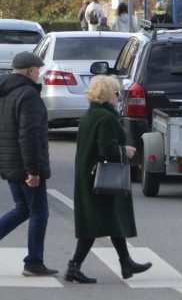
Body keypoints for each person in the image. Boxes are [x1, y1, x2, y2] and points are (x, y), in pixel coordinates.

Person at [0, 51, 58, 277]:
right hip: (25, 163)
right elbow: (29, 136)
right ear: (30, 71)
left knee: (23, 209)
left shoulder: (0, 92)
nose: (39, 73)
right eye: (37, 69)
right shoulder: (29, 95)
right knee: (39, 212)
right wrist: (33, 170)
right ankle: (34, 262)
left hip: (9, 161)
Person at [65, 75, 152, 284]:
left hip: (89, 176)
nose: (118, 97)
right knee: (96, 222)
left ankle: (125, 262)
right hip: (101, 179)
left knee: (108, 221)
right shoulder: (106, 118)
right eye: (116, 93)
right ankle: (74, 267)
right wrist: (126, 151)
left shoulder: (90, 115)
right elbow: (108, 150)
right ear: (107, 95)